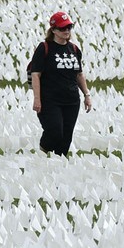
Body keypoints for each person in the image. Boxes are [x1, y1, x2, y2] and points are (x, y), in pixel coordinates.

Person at [28, 11, 92, 156]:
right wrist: (37, 99)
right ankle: (43, 152)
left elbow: (79, 74)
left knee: (66, 137)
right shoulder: (44, 48)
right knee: (55, 131)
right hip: (50, 100)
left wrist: (87, 95)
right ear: (54, 30)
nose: (66, 31)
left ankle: (59, 165)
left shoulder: (74, 49)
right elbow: (36, 74)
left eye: (69, 27)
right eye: (62, 28)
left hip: (71, 100)